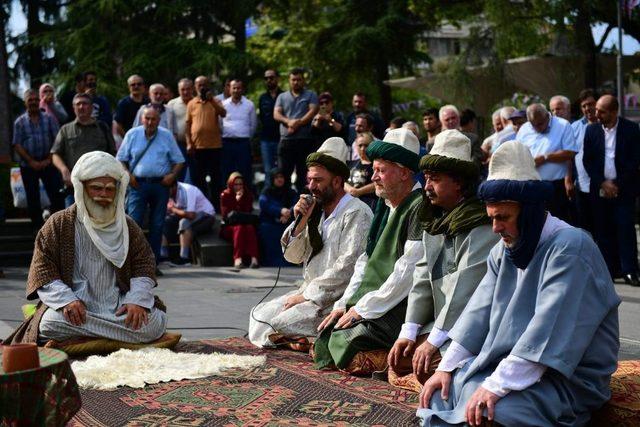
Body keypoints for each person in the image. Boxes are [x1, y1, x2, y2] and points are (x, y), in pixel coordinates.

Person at [417, 140, 620, 426]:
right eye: (492, 218)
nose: (496, 228)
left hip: (565, 376)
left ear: (530, 212)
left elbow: (549, 333)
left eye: (503, 218)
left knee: (491, 412)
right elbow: (478, 313)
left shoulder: (571, 248)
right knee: (442, 393)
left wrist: (495, 386)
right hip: (512, 362)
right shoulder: (504, 250)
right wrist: (447, 367)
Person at [4, 151, 168, 345]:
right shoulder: (59, 224)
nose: (103, 195)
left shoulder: (128, 226)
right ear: (82, 188)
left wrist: (136, 300)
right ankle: (110, 336)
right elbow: (43, 271)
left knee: (154, 324)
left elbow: (144, 267)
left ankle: (84, 337)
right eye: (96, 188)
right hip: (75, 309)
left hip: (118, 307)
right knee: (49, 323)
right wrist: (66, 300)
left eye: (109, 189)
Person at [387, 130, 498, 390]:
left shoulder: (479, 224)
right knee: (402, 359)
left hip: (474, 324)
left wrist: (433, 341)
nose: (426, 187)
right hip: (443, 323)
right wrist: (410, 330)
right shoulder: (435, 218)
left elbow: (466, 289)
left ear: (458, 182)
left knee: (425, 366)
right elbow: (422, 277)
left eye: (434, 180)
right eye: (425, 179)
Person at [313, 128, 423, 375]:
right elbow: (366, 260)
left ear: (404, 173)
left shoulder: (418, 207)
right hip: (374, 298)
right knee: (328, 331)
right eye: (374, 170)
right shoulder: (385, 206)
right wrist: (345, 303)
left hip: (400, 303)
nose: (373, 177)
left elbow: (408, 272)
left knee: (351, 341)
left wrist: (364, 308)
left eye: (381, 171)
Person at [249, 137, 373, 348]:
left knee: (277, 323)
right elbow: (293, 256)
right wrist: (300, 222)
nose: (311, 186)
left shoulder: (357, 212)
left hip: (334, 298)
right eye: (310, 180)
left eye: (318, 180)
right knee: (258, 315)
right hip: (308, 293)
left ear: (336, 181)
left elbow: (348, 266)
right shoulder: (316, 212)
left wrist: (306, 296)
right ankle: (299, 341)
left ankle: (307, 340)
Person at [583, 94, 640, 286]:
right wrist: (603, 183)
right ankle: (609, 269)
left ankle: (630, 270)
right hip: (599, 189)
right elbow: (588, 161)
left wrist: (616, 184)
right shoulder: (591, 131)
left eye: (601, 111)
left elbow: (635, 161)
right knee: (603, 230)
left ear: (614, 112)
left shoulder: (631, 129)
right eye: (596, 110)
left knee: (625, 229)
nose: (596, 113)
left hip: (623, 189)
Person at [116, 106, 185, 266]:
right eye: (147, 118)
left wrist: (172, 176)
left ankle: (153, 263)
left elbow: (179, 161)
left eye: (153, 119)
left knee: (158, 224)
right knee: (133, 222)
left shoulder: (166, 135)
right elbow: (120, 159)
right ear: (142, 119)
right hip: (137, 184)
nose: (150, 122)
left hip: (160, 185)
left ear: (159, 120)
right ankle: (132, 263)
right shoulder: (132, 134)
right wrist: (128, 175)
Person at [51, 93, 116, 207]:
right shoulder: (65, 130)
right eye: (78, 104)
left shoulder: (103, 128)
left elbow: (113, 153)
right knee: (71, 222)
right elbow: (55, 154)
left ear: (91, 107)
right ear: (73, 108)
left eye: (85, 104)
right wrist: (64, 170)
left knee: (98, 222)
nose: (81, 107)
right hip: (74, 185)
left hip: (100, 186)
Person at [12, 89, 65, 229]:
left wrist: (48, 159)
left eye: (36, 99)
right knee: (32, 197)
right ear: (25, 102)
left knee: (56, 195)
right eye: (30, 100)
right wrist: (31, 162)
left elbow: (57, 141)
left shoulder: (49, 118)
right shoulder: (20, 122)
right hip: (28, 165)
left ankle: (57, 226)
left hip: (48, 162)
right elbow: (17, 144)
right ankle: (37, 229)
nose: (34, 102)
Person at [516, 103, 578, 222]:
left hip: (555, 187)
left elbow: (570, 152)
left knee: (558, 222)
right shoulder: (525, 129)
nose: (537, 128)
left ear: (547, 116)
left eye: (540, 124)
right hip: (531, 185)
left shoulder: (562, 125)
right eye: (533, 125)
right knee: (535, 223)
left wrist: (545, 157)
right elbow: (517, 152)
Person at [274, 67, 319, 192]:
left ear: (303, 81)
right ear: (289, 81)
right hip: (286, 141)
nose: (296, 82)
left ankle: (303, 203)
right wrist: (289, 122)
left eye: (299, 79)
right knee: (284, 174)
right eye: (293, 80)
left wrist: (297, 123)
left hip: (305, 141)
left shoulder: (311, 95)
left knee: (303, 175)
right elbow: (276, 114)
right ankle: (285, 205)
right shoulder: (282, 97)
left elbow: (313, 111)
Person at [186, 75, 227, 210]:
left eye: (204, 84)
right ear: (195, 87)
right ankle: (203, 206)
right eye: (199, 85)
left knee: (216, 178)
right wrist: (189, 143)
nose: (202, 87)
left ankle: (216, 205)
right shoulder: (192, 103)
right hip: (198, 147)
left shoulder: (215, 101)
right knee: (199, 179)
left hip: (214, 146)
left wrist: (211, 100)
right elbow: (187, 125)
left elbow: (223, 113)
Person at [162, 181, 216, 266]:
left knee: (184, 223)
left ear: (174, 187)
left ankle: (184, 258)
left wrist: (173, 210)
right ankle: (163, 256)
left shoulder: (187, 190)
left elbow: (191, 215)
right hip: (186, 216)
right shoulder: (168, 193)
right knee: (163, 221)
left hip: (206, 216)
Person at [570, 89, 598, 233]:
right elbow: (569, 155)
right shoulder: (575, 127)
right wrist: (568, 181)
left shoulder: (607, 124)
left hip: (603, 186)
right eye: (584, 106)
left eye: (591, 104)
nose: (588, 108)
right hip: (581, 186)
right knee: (585, 227)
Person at [257, 168, 298, 267]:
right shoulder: (266, 191)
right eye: (276, 177)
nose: (279, 179)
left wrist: (288, 213)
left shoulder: (290, 191)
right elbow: (264, 204)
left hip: (287, 221)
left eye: (281, 177)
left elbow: (297, 204)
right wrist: (280, 211)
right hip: (270, 221)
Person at [220, 172, 259, 269]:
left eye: (240, 184)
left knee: (250, 228)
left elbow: (248, 212)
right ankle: (237, 258)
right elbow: (226, 215)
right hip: (229, 226)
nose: (238, 186)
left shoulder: (248, 194)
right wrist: (237, 201)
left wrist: (241, 200)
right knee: (239, 228)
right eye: (235, 184)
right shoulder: (225, 195)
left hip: (245, 224)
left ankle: (254, 258)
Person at [221, 79, 257, 186]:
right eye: (234, 88)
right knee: (227, 172)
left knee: (245, 171)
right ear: (229, 89)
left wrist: (245, 136)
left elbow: (253, 125)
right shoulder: (223, 104)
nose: (236, 90)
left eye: (239, 88)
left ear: (242, 89)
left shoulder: (249, 105)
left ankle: (245, 199)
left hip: (243, 143)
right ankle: (228, 198)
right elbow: (219, 124)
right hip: (227, 143)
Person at [258, 69, 284, 187]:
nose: (269, 80)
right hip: (266, 139)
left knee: (282, 170)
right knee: (268, 171)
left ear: (277, 79)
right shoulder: (263, 98)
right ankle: (268, 200)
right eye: (266, 78)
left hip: (281, 138)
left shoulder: (284, 96)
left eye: (271, 77)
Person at [167, 78, 195, 182]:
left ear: (193, 89)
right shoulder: (172, 104)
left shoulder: (197, 102)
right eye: (183, 89)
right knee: (178, 175)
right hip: (178, 145)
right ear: (178, 90)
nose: (185, 92)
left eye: (188, 89)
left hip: (195, 145)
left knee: (195, 174)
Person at [345, 132, 377, 211]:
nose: (363, 148)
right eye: (360, 145)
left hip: (368, 206)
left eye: (366, 145)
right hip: (348, 205)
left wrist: (359, 191)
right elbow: (341, 180)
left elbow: (379, 182)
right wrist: (350, 190)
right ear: (356, 146)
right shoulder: (350, 163)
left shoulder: (376, 164)